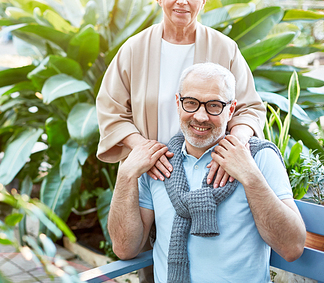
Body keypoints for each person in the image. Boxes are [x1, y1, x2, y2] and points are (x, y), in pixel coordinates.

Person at [108, 63, 306, 283]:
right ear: (178, 104)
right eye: (191, 103)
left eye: (214, 105)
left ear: (231, 110)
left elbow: (292, 248)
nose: (200, 116)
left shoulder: (259, 157)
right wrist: (125, 175)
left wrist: (250, 176)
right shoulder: (157, 162)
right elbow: (124, 249)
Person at [96, 0, 266, 188]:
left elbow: (250, 109)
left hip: (210, 175)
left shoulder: (225, 48)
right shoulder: (134, 49)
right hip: (149, 173)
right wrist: (142, 149)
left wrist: (233, 148)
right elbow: (110, 109)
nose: (182, 1)